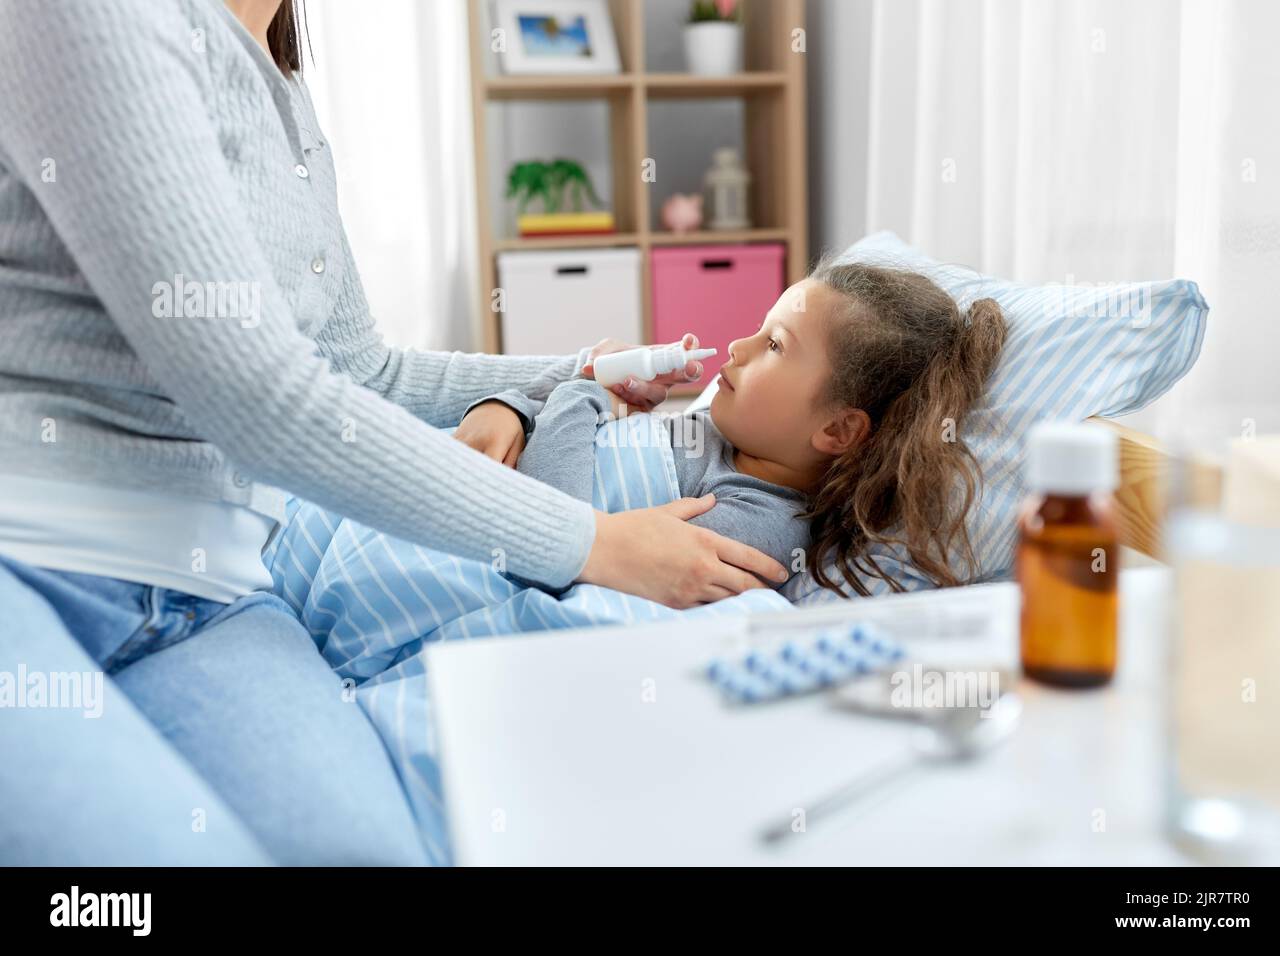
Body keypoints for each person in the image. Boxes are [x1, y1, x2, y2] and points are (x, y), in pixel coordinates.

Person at [0, 0, 785, 864]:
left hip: (209, 594)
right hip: (31, 557)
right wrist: (593, 543)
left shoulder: (283, 94)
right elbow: (261, 398)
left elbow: (361, 371)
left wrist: (572, 373)